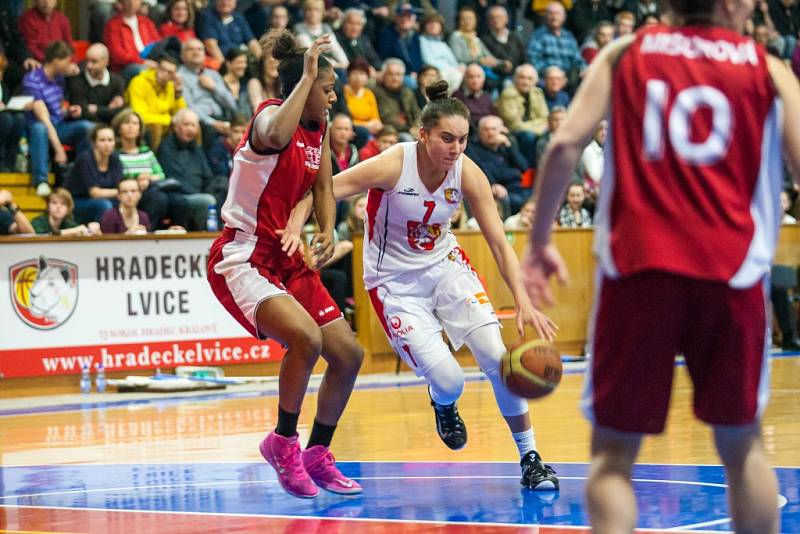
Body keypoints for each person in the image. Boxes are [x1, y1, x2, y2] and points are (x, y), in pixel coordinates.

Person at [523, 0, 796, 531]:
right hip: (732, 273)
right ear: (733, 5)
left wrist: (539, 240)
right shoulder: (767, 67)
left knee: (612, 459)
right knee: (744, 450)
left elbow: (562, 145)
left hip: (638, 271)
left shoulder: (626, 53)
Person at [331, 79, 560, 491]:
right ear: (423, 135)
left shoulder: (468, 172)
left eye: (463, 139)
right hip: (394, 283)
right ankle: (443, 400)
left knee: (498, 358)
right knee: (451, 380)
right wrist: (310, 226)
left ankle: (531, 458)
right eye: (447, 139)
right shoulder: (391, 164)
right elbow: (329, 188)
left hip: (446, 268)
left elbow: (497, 242)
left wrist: (522, 300)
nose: (456, 148)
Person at [207, 31, 364, 499]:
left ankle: (317, 451)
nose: (334, 95)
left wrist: (326, 229)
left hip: (287, 258)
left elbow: (323, 187)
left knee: (349, 355)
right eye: (327, 86)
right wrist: (309, 73)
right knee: (306, 339)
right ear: (305, 84)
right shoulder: (268, 120)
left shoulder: (317, 130)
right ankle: (282, 441)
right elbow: (275, 133)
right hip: (243, 255)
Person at [23, 40, 93, 198]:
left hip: (59, 124)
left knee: (87, 127)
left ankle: (80, 175)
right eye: (67, 60)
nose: (70, 64)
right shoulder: (32, 79)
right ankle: (41, 180)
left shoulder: (60, 79)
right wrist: (59, 150)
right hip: (38, 126)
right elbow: (44, 118)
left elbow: (58, 109)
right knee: (39, 128)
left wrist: (69, 112)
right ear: (56, 60)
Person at [157, 108, 225, 230]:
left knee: (223, 187)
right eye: (186, 124)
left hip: (199, 192)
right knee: (207, 200)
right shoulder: (166, 147)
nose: (190, 129)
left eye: (193, 125)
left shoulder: (196, 149)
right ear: (176, 127)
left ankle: (223, 234)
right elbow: (173, 178)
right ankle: (204, 235)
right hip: (179, 195)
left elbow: (207, 175)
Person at [62, 124, 123, 224]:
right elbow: (94, 193)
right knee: (105, 205)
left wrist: (123, 192)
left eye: (110, 140)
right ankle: (98, 237)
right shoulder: (86, 158)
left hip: (103, 200)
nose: (107, 144)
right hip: (74, 202)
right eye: (102, 140)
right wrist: (121, 192)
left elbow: (119, 186)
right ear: (94, 143)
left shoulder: (116, 160)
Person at [126, 53, 186, 150]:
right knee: (155, 127)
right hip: (144, 126)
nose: (165, 75)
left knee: (190, 125)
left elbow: (181, 114)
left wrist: (178, 94)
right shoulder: (139, 82)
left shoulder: (171, 86)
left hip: (166, 126)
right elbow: (140, 116)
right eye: (163, 70)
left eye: (170, 73)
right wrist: (170, 120)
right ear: (156, 69)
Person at [66, 43, 127, 124]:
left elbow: (120, 112)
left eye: (94, 62)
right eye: (87, 60)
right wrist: (107, 111)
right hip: (88, 125)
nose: (89, 66)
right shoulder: (76, 81)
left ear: (106, 62)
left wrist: (96, 109)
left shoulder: (118, 81)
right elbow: (82, 113)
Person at [104, 0, 162, 79]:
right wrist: (143, 62)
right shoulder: (113, 25)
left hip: (151, 61)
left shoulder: (146, 22)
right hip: (126, 68)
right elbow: (118, 56)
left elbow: (158, 44)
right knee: (141, 70)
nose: (131, 2)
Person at [31, 187, 101, 236]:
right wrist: (74, 231)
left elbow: (81, 231)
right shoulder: (38, 222)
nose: (58, 206)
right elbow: (45, 236)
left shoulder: (68, 223)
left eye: (63, 204)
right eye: (54, 203)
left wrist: (91, 231)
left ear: (68, 208)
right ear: (48, 206)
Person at [0, 44, 26, 172]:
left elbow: (5, 103)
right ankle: (1, 160)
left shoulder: (2, 86)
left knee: (20, 118)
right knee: (6, 119)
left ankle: (11, 161)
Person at [343, 58, 382, 135]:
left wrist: (377, 125)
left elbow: (376, 118)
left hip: (371, 130)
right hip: (351, 130)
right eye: (354, 73)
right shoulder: (342, 92)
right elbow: (344, 120)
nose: (358, 77)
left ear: (367, 77)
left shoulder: (369, 94)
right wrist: (366, 125)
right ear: (348, 75)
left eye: (362, 73)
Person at [222, 48, 252, 119]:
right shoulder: (220, 84)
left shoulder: (245, 85)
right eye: (239, 62)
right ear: (228, 64)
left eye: (245, 62)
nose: (244, 66)